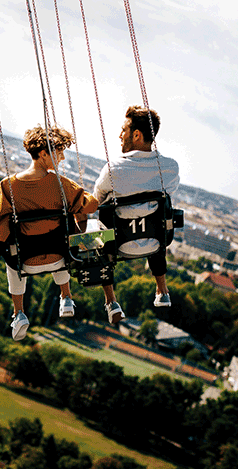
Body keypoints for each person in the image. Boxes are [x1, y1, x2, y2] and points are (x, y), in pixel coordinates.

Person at [0, 125, 98, 341]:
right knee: (65, 238)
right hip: (59, 258)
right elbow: (90, 206)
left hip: (25, 262)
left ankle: (19, 313)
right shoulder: (61, 184)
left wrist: (6, 241)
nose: (63, 158)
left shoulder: (8, 187)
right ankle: (66, 296)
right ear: (44, 154)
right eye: (59, 151)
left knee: (10, 259)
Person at [93, 105, 180, 325]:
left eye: (123, 130)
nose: (119, 135)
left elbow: (97, 200)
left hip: (116, 245)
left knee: (100, 220)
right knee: (157, 215)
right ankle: (162, 290)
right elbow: (168, 193)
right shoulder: (170, 168)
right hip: (154, 242)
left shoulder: (114, 169)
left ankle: (111, 301)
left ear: (137, 135)